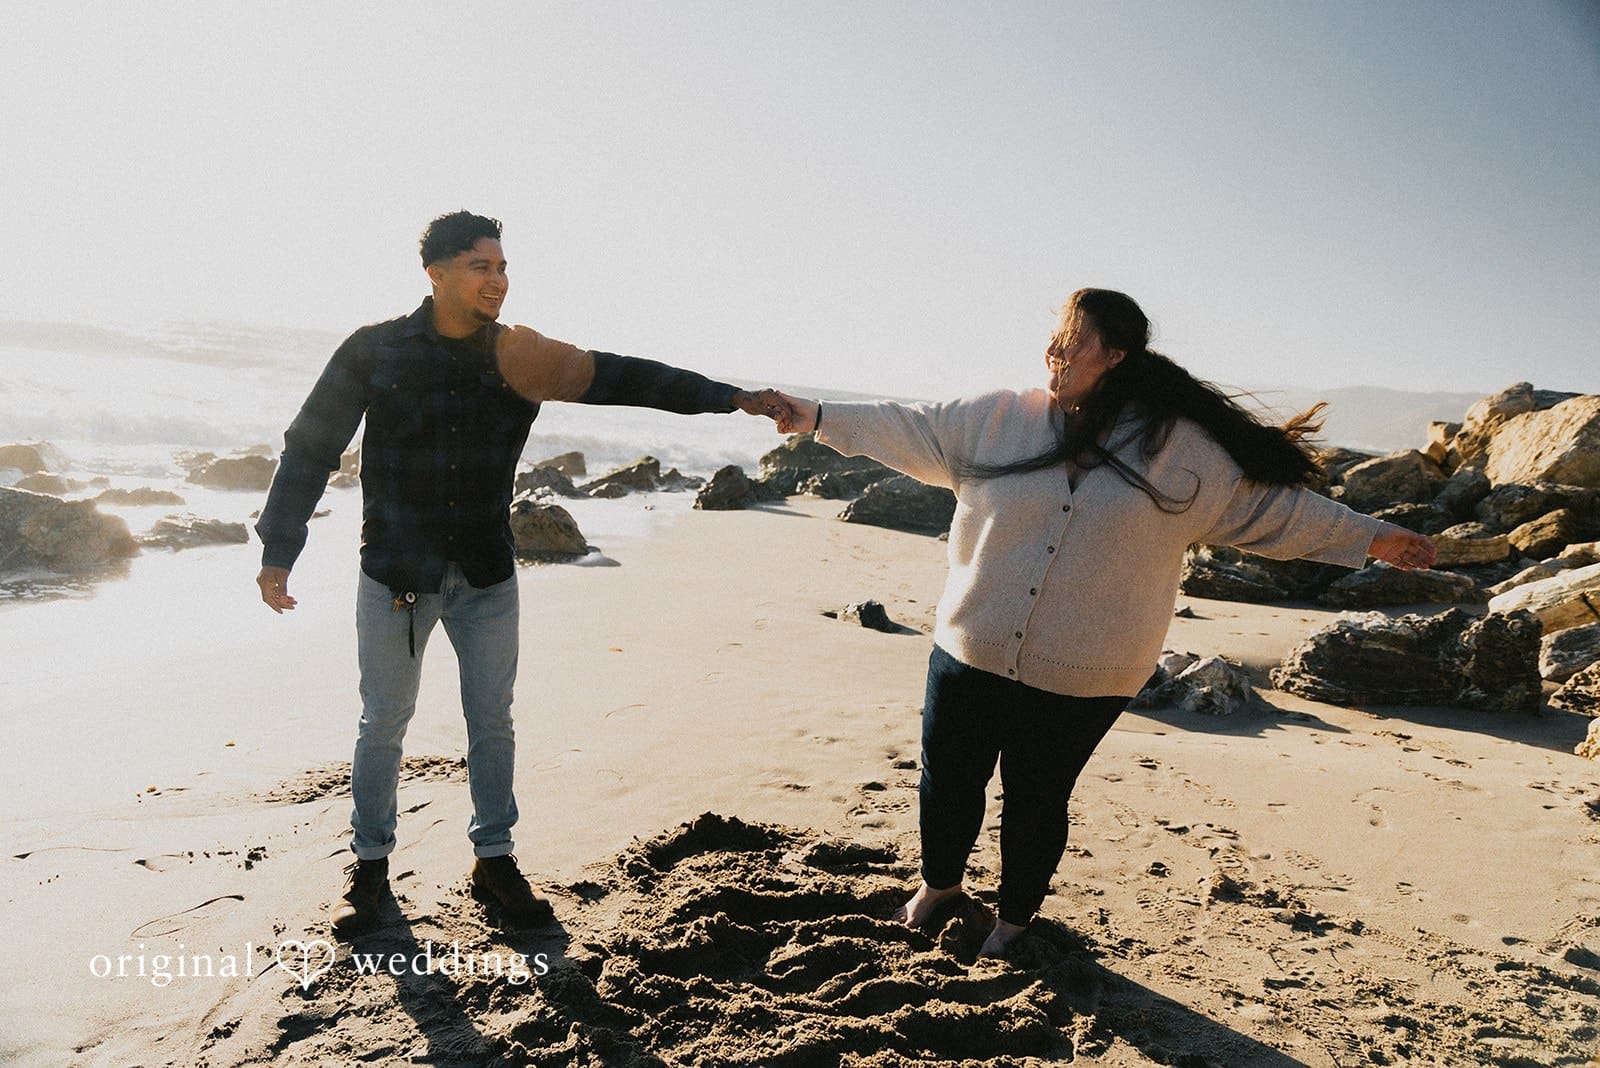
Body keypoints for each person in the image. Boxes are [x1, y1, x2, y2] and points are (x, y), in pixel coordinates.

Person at [770, 288, 1436, 957]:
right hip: (972, 644)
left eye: (1072, 338)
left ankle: (1013, 925)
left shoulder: (1187, 454)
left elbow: (1280, 514)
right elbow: (905, 426)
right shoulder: (995, 420)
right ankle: (940, 888)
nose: (1053, 351)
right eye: (1055, 335)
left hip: (1087, 672)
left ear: (1115, 355)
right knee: (947, 778)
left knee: (1036, 800)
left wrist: (1373, 538)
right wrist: (814, 415)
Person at [255, 210, 785, 936]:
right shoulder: (374, 352)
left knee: (492, 721)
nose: (498, 281)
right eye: (482, 267)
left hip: (485, 576)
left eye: (503, 268)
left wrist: (727, 396)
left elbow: (623, 376)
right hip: (397, 576)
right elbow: (310, 448)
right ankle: (370, 869)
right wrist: (279, 551)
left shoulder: (521, 354)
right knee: (384, 721)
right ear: (436, 273)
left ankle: (494, 860)